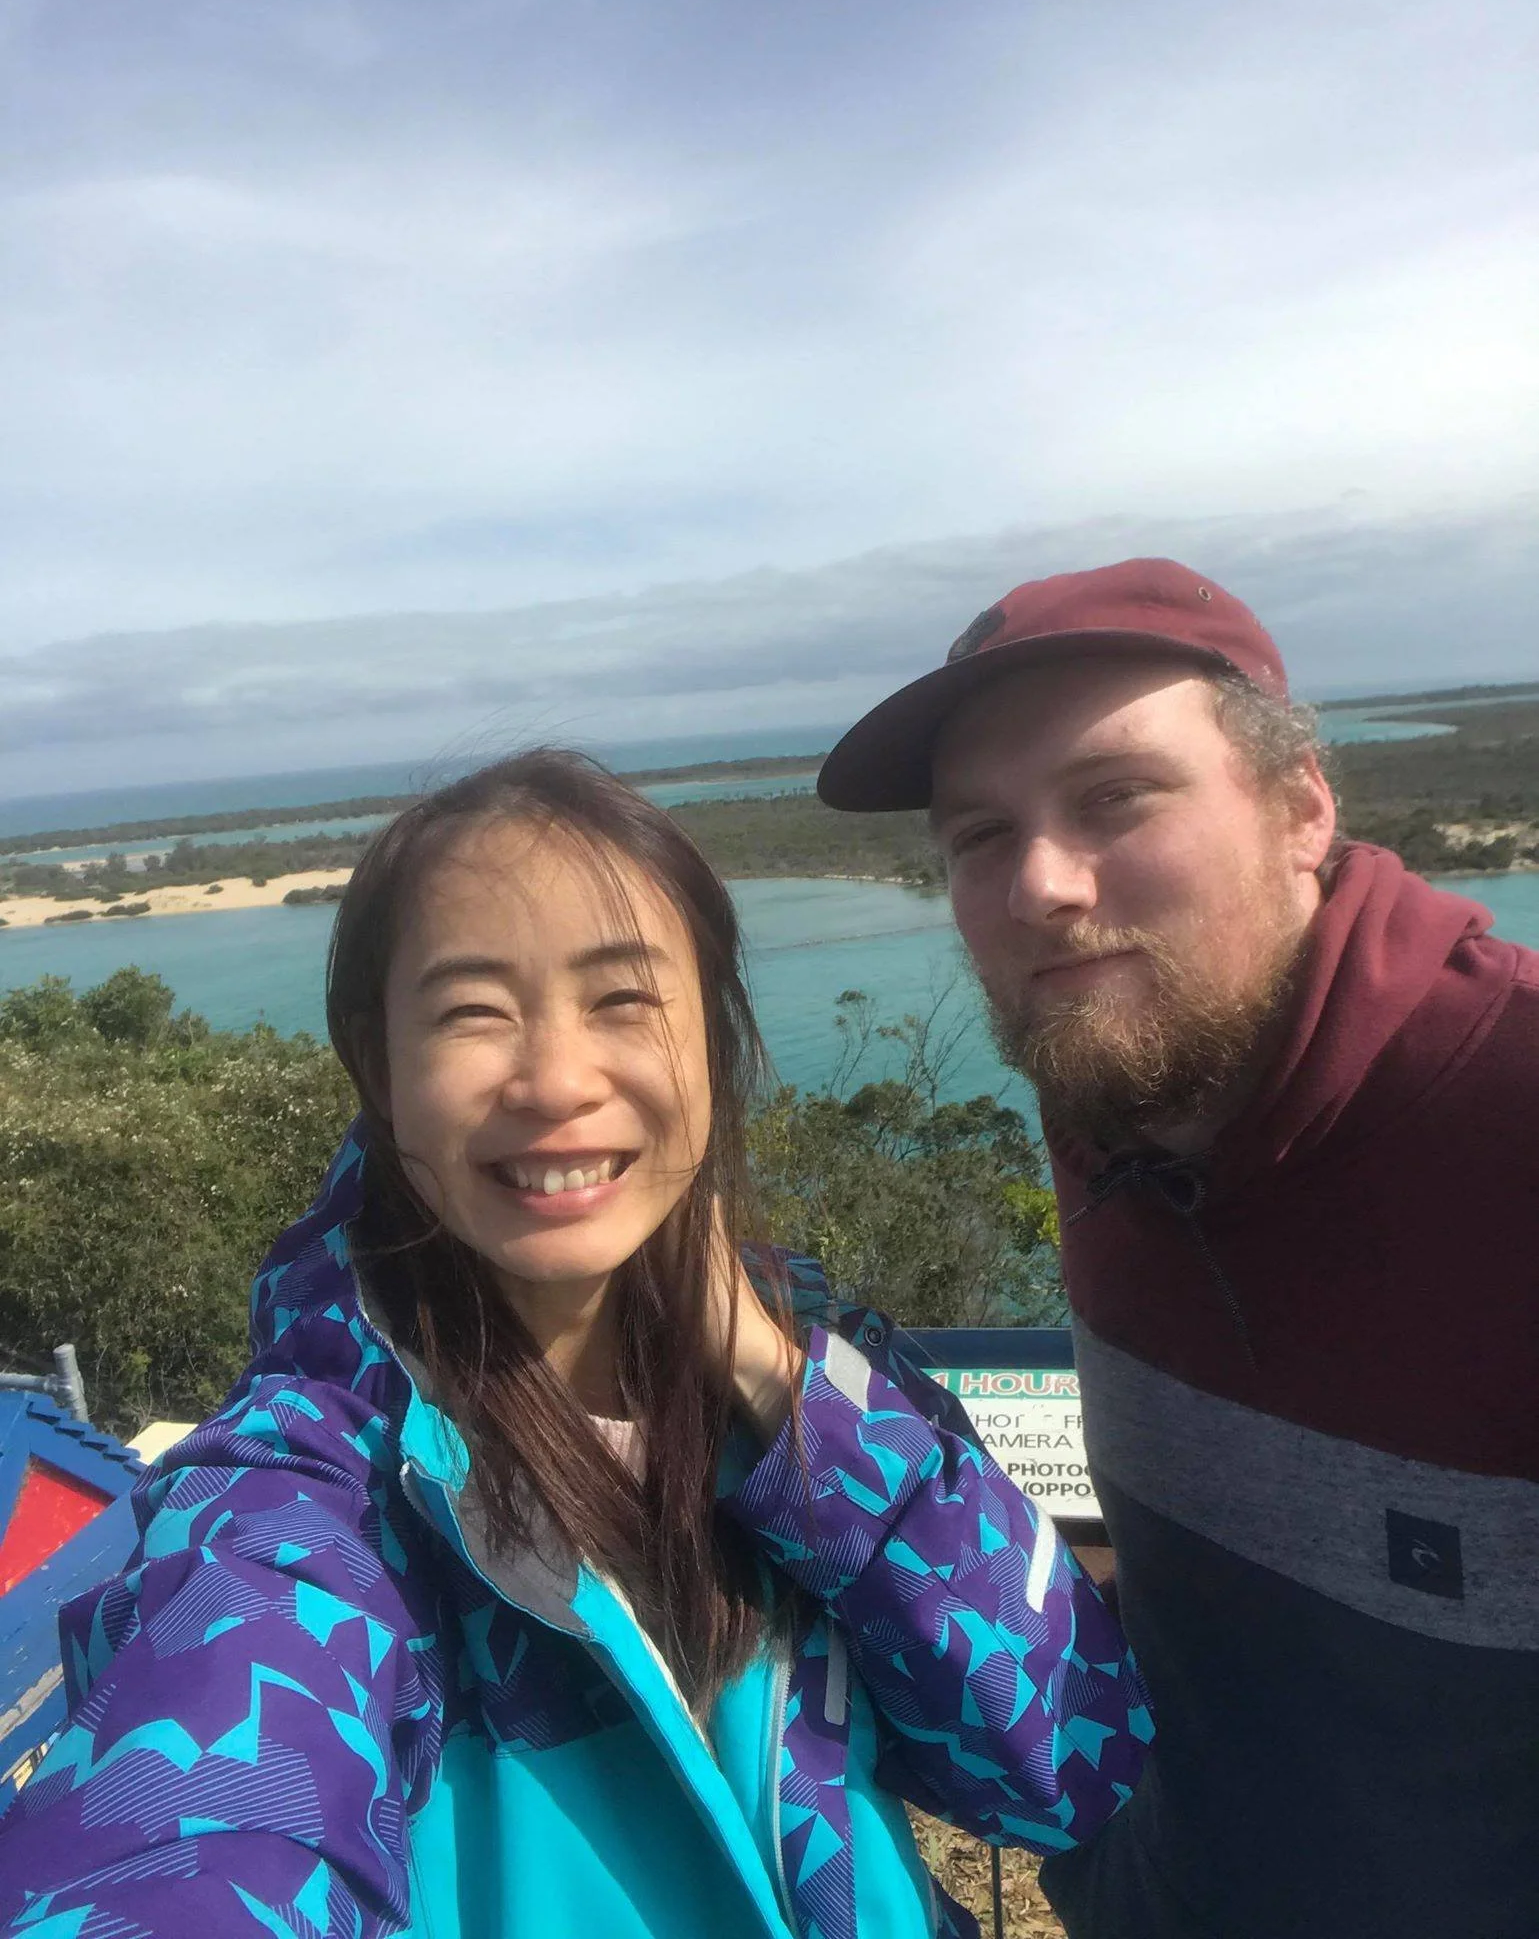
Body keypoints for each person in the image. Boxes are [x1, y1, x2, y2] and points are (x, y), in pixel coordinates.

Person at [0, 749, 1151, 1939]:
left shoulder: (824, 1375)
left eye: (623, 999)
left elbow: (1068, 1758)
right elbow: (197, 1820)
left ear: (712, 1033)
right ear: (377, 1065)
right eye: (472, 1010)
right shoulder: (315, 1491)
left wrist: (775, 1381)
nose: (556, 1078)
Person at [817, 556, 1539, 1939]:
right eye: (977, 834)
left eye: (1113, 801)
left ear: (1300, 808)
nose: (1038, 887)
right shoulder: (1112, 1079)